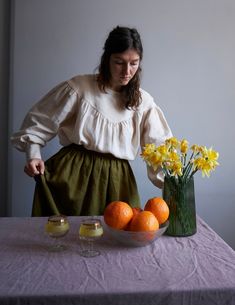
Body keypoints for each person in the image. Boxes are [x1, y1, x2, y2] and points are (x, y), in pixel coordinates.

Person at [11, 26, 172, 217]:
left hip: (118, 184)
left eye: (134, 63)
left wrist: (174, 186)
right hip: (72, 178)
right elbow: (38, 122)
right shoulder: (80, 88)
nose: (127, 71)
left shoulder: (144, 103)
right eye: (119, 62)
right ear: (107, 59)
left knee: (119, 238)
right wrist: (33, 155)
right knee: (67, 239)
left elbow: (160, 151)